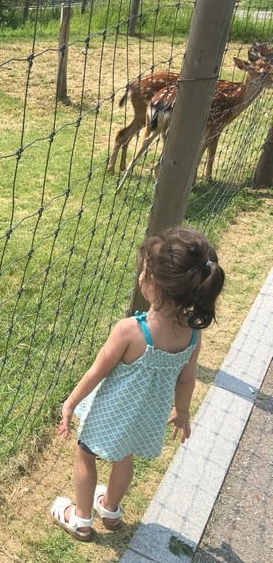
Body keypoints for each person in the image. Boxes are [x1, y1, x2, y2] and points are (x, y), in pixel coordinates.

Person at [50, 226, 225, 541]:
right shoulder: (193, 333)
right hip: (145, 417)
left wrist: (70, 403)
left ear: (153, 283)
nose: (139, 274)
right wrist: (182, 412)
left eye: (142, 270)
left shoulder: (130, 330)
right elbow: (187, 379)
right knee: (124, 456)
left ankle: (82, 518)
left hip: (110, 412)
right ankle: (111, 508)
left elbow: (96, 372)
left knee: (84, 453)